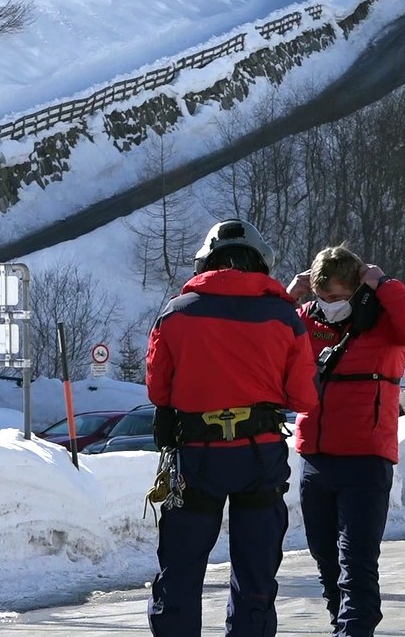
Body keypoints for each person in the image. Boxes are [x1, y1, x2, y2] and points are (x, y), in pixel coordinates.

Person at [145, 219, 319, 637]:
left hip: (197, 456)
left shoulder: (175, 313)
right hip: (259, 455)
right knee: (255, 576)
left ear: (205, 263)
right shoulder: (284, 317)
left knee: (181, 571)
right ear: (261, 264)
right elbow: (304, 398)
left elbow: (158, 388)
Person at [285, 245, 405, 637]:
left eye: (337, 296)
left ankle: (354, 628)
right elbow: (264, 342)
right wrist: (289, 295)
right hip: (316, 457)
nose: (329, 304)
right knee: (324, 557)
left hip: (366, 459)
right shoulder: (306, 319)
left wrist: (384, 284)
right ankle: (342, 622)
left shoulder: (386, 322)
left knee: (357, 561)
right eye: (323, 296)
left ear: (356, 289)